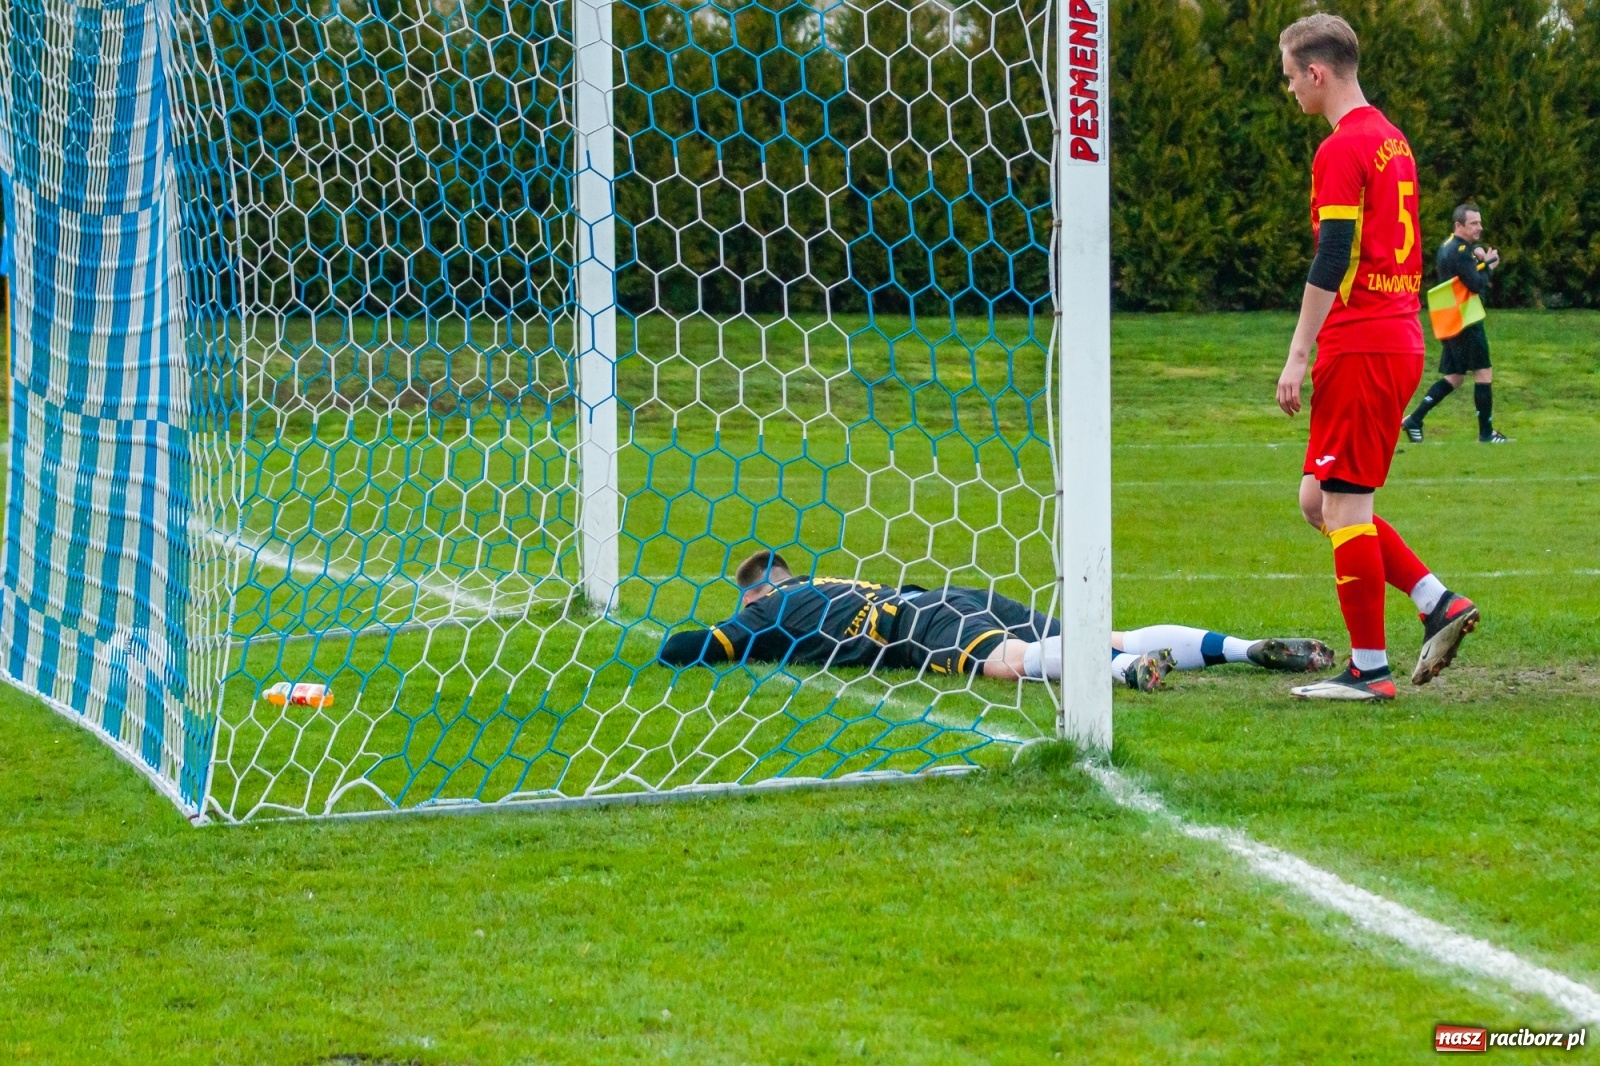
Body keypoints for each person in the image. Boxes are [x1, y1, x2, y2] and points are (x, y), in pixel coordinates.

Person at [1274, 14, 1479, 701]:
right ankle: (1435, 599)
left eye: (1289, 76)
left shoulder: (1341, 148)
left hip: (1361, 340)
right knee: (1319, 501)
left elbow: (1333, 254)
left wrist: (1297, 353)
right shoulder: (1393, 140)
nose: (1289, 89)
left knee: (1345, 507)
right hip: (1396, 334)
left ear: (1317, 72)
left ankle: (1368, 669)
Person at [656, 550, 1335, 692]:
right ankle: (1246, 650)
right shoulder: (822, 581)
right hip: (949, 592)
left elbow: (697, 647)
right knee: (1097, 631)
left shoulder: (769, 609)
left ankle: (1126, 673)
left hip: (907, 621)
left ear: (756, 594)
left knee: (1005, 661)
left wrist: (657, 646)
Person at [1402, 203, 1510, 443]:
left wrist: (1480, 254)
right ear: (1459, 225)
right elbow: (1474, 282)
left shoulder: (1448, 246)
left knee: (1455, 376)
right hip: (1465, 320)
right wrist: (1490, 266)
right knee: (1483, 372)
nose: (1479, 227)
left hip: (1451, 320)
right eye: (1473, 224)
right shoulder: (1460, 250)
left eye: (1480, 223)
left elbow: (1468, 265)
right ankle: (1486, 434)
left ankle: (1414, 419)